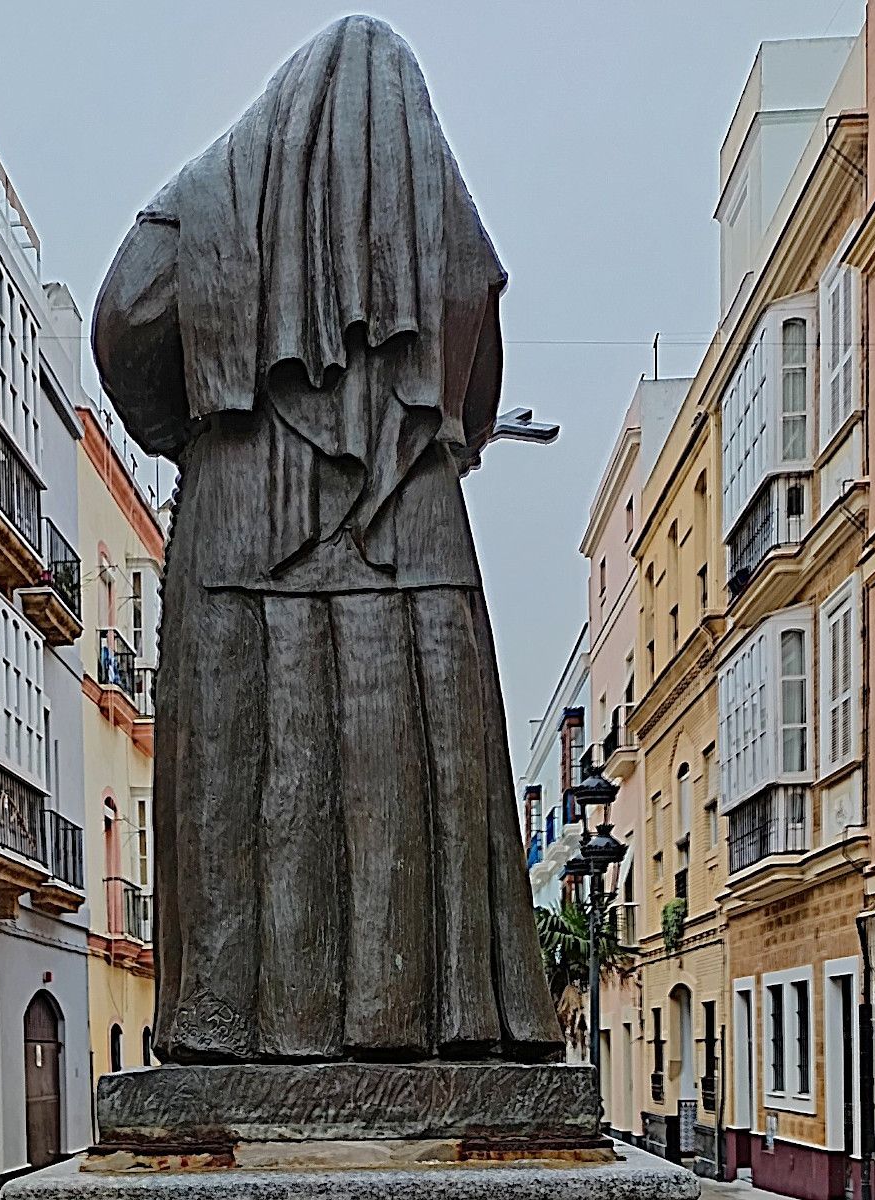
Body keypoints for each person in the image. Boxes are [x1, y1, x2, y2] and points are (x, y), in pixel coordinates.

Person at [92, 14, 560, 1065]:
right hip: (413, 527)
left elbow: (120, 327)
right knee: (415, 770)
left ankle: (227, 1022)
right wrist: (419, 436)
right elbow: (473, 394)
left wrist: (206, 434)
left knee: (239, 769)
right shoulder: (448, 228)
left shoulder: (205, 195)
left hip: (234, 534)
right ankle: (437, 1018)